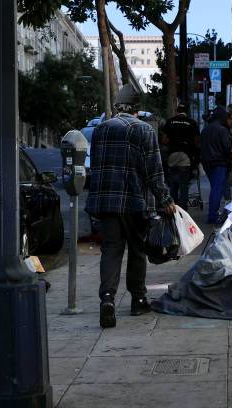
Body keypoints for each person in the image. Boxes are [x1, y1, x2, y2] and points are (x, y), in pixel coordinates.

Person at [86, 84, 175, 328]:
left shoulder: (101, 130)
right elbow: (154, 172)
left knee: (111, 250)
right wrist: (166, 200)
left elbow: (96, 167)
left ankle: (107, 299)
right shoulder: (144, 130)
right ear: (137, 109)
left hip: (106, 202)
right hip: (136, 202)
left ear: (118, 108)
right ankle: (138, 299)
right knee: (137, 251)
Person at [162, 102, 200, 209]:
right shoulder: (192, 122)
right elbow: (197, 141)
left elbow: (164, 140)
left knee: (173, 185)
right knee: (184, 185)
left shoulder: (170, 122)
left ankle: (174, 207)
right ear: (186, 112)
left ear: (177, 111)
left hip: (172, 155)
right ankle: (183, 209)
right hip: (185, 156)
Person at [200, 107, 232, 224]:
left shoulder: (205, 130)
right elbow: (227, 148)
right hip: (219, 162)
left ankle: (213, 213)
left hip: (207, 162)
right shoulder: (222, 130)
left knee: (215, 188)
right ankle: (212, 215)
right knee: (217, 189)